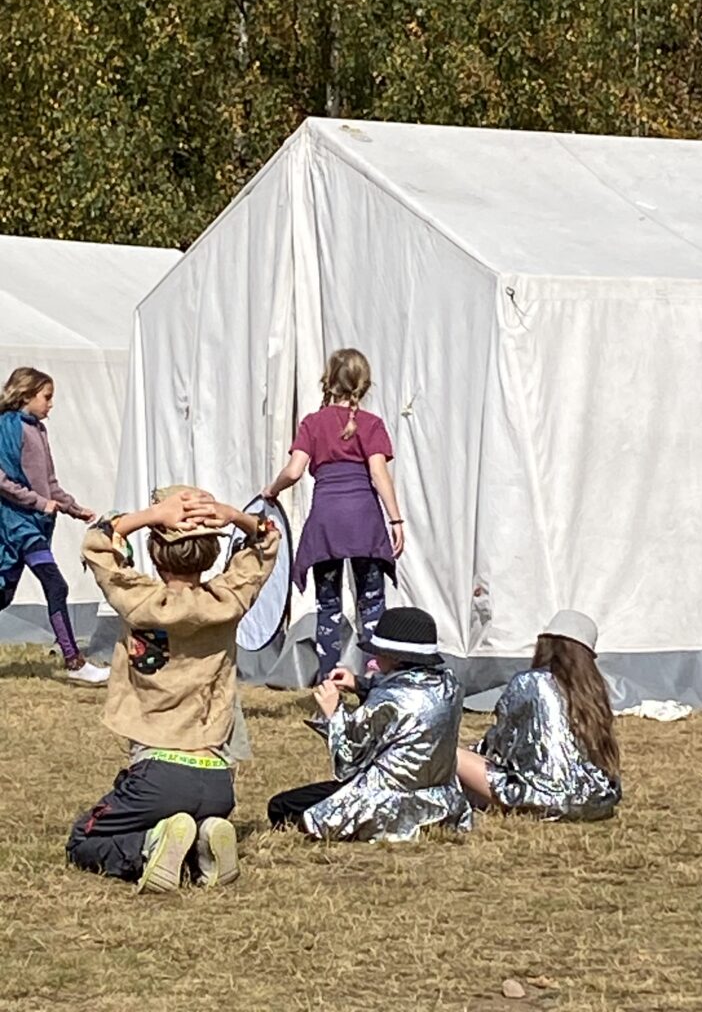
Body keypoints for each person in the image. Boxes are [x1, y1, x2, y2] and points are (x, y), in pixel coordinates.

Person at [66, 486, 280, 892]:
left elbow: (97, 542)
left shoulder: (139, 600)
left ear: (155, 551)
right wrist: (233, 515)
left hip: (156, 772)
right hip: (217, 779)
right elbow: (268, 539)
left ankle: (149, 845)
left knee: (84, 838)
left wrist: (150, 516)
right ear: (213, 553)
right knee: (187, 819)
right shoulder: (228, 600)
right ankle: (205, 838)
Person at [267, 607, 472, 841]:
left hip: (386, 803)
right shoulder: (449, 686)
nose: (374, 658)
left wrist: (334, 712)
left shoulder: (386, 699)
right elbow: (405, 693)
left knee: (282, 806)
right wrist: (360, 684)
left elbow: (349, 760)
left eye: (379, 652)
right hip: (441, 802)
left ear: (395, 657)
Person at [263, 348, 403, 683]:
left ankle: (329, 681)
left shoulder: (312, 423)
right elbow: (378, 474)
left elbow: (294, 471)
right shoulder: (371, 424)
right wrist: (396, 519)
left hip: (326, 522)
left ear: (328, 381)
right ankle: (372, 679)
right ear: (364, 384)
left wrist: (272, 490)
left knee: (328, 605)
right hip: (364, 522)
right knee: (372, 604)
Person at [457, 610, 621, 821]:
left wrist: (473, 753)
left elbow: (501, 743)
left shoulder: (530, 682)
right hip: (595, 799)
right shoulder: (593, 693)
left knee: (451, 755)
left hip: (542, 797)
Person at [0, 366, 105, 686]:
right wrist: (37, 502)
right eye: (46, 397)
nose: (51, 404)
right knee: (56, 585)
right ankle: (74, 662)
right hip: (17, 525)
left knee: (3, 594)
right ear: (26, 395)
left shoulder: (39, 431)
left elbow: (50, 484)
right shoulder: (7, 427)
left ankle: (74, 661)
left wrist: (74, 509)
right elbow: (2, 480)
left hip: (36, 523)